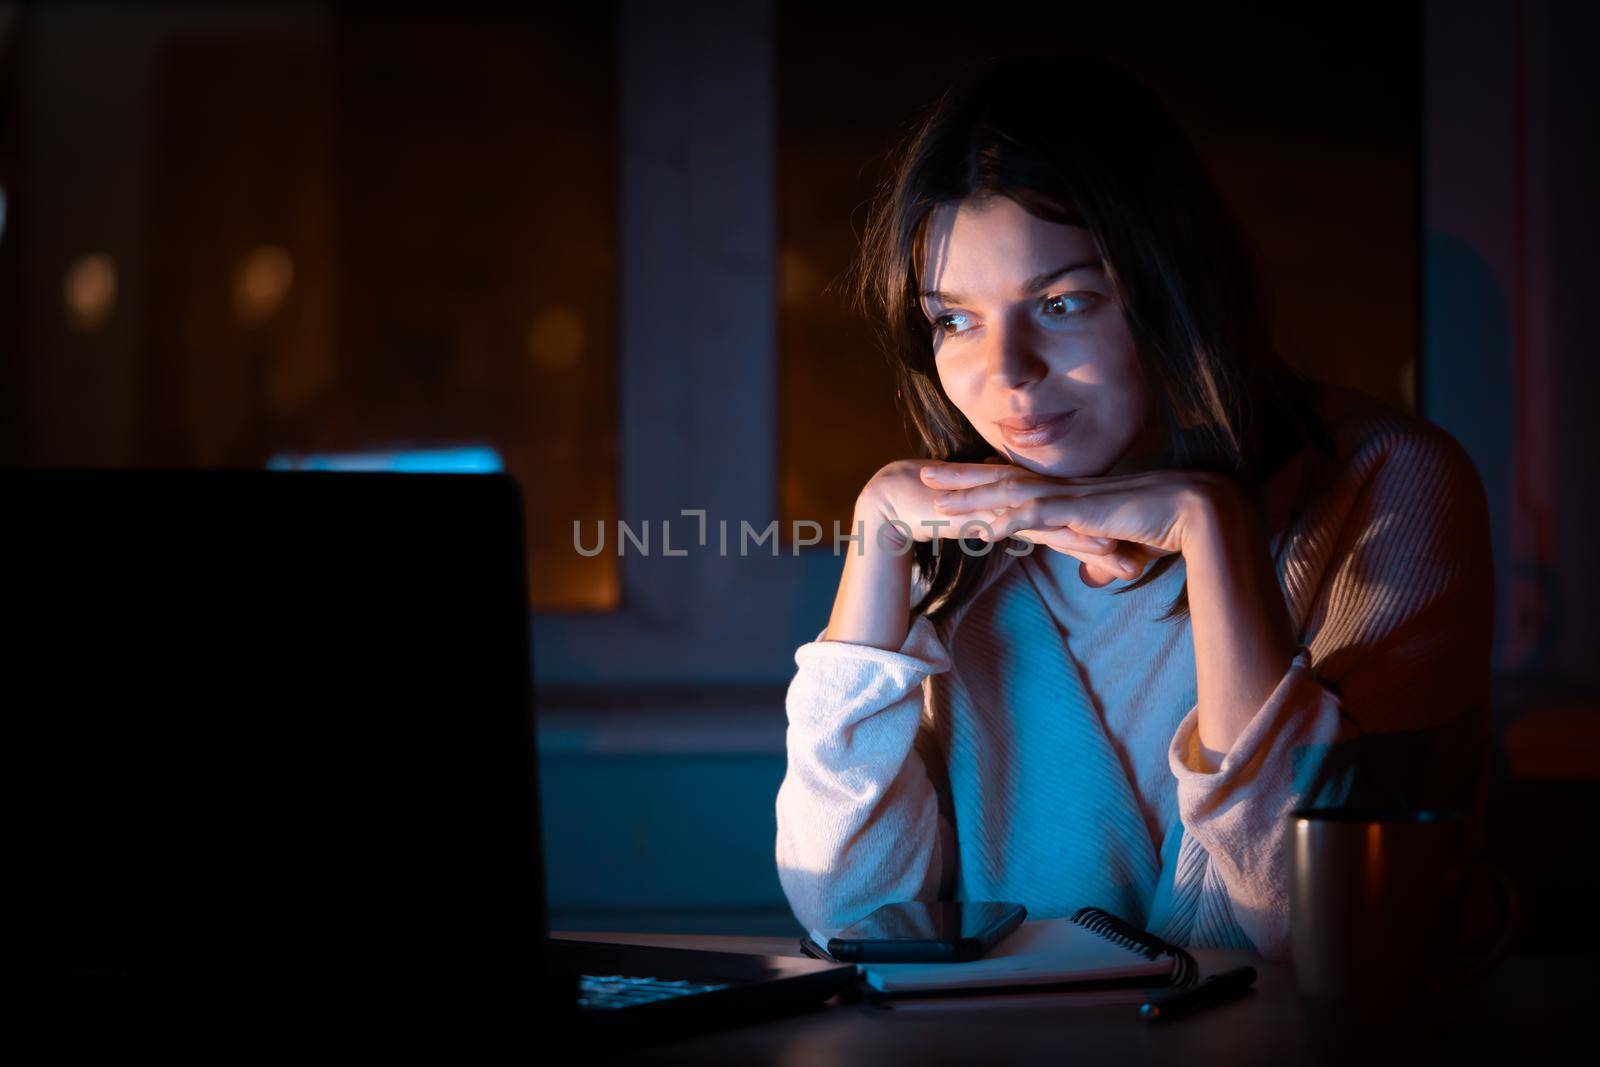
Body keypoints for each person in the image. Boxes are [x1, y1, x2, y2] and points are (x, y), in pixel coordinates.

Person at [773, 56, 1494, 960]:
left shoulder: (1388, 484)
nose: (1004, 373)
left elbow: (1323, 927)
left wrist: (1212, 527)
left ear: (1169, 287)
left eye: (1064, 302)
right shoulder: (956, 541)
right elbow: (850, 914)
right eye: (953, 320)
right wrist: (875, 536)